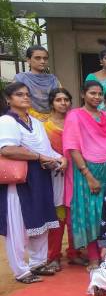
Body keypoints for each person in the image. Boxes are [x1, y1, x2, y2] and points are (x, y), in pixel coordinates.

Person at [1, 82, 65, 283]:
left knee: (42, 220)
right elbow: (7, 149)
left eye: (27, 94)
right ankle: (21, 271)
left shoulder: (36, 122)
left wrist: (60, 158)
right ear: (8, 99)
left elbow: (46, 149)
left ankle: (38, 263)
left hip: (41, 176)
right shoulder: (6, 121)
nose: (25, 97)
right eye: (19, 94)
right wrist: (38, 156)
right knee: (18, 225)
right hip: (20, 180)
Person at [63, 80, 106, 270]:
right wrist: (88, 175)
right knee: (91, 215)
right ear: (83, 94)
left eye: (99, 94)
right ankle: (93, 257)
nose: (96, 97)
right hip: (87, 171)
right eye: (92, 93)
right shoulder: (74, 116)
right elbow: (72, 147)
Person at [43, 88, 81, 269]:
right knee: (58, 218)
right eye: (58, 100)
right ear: (52, 103)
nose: (63, 103)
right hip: (55, 175)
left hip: (76, 173)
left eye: (66, 99)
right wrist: (57, 160)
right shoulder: (45, 126)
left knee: (74, 216)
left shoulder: (75, 122)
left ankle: (74, 253)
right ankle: (54, 256)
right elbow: (41, 150)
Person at [14, 45, 61, 121]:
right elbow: (15, 102)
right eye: (38, 58)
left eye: (45, 58)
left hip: (53, 120)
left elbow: (61, 99)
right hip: (27, 119)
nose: (42, 61)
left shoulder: (53, 80)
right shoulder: (20, 79)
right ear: (28, 60)